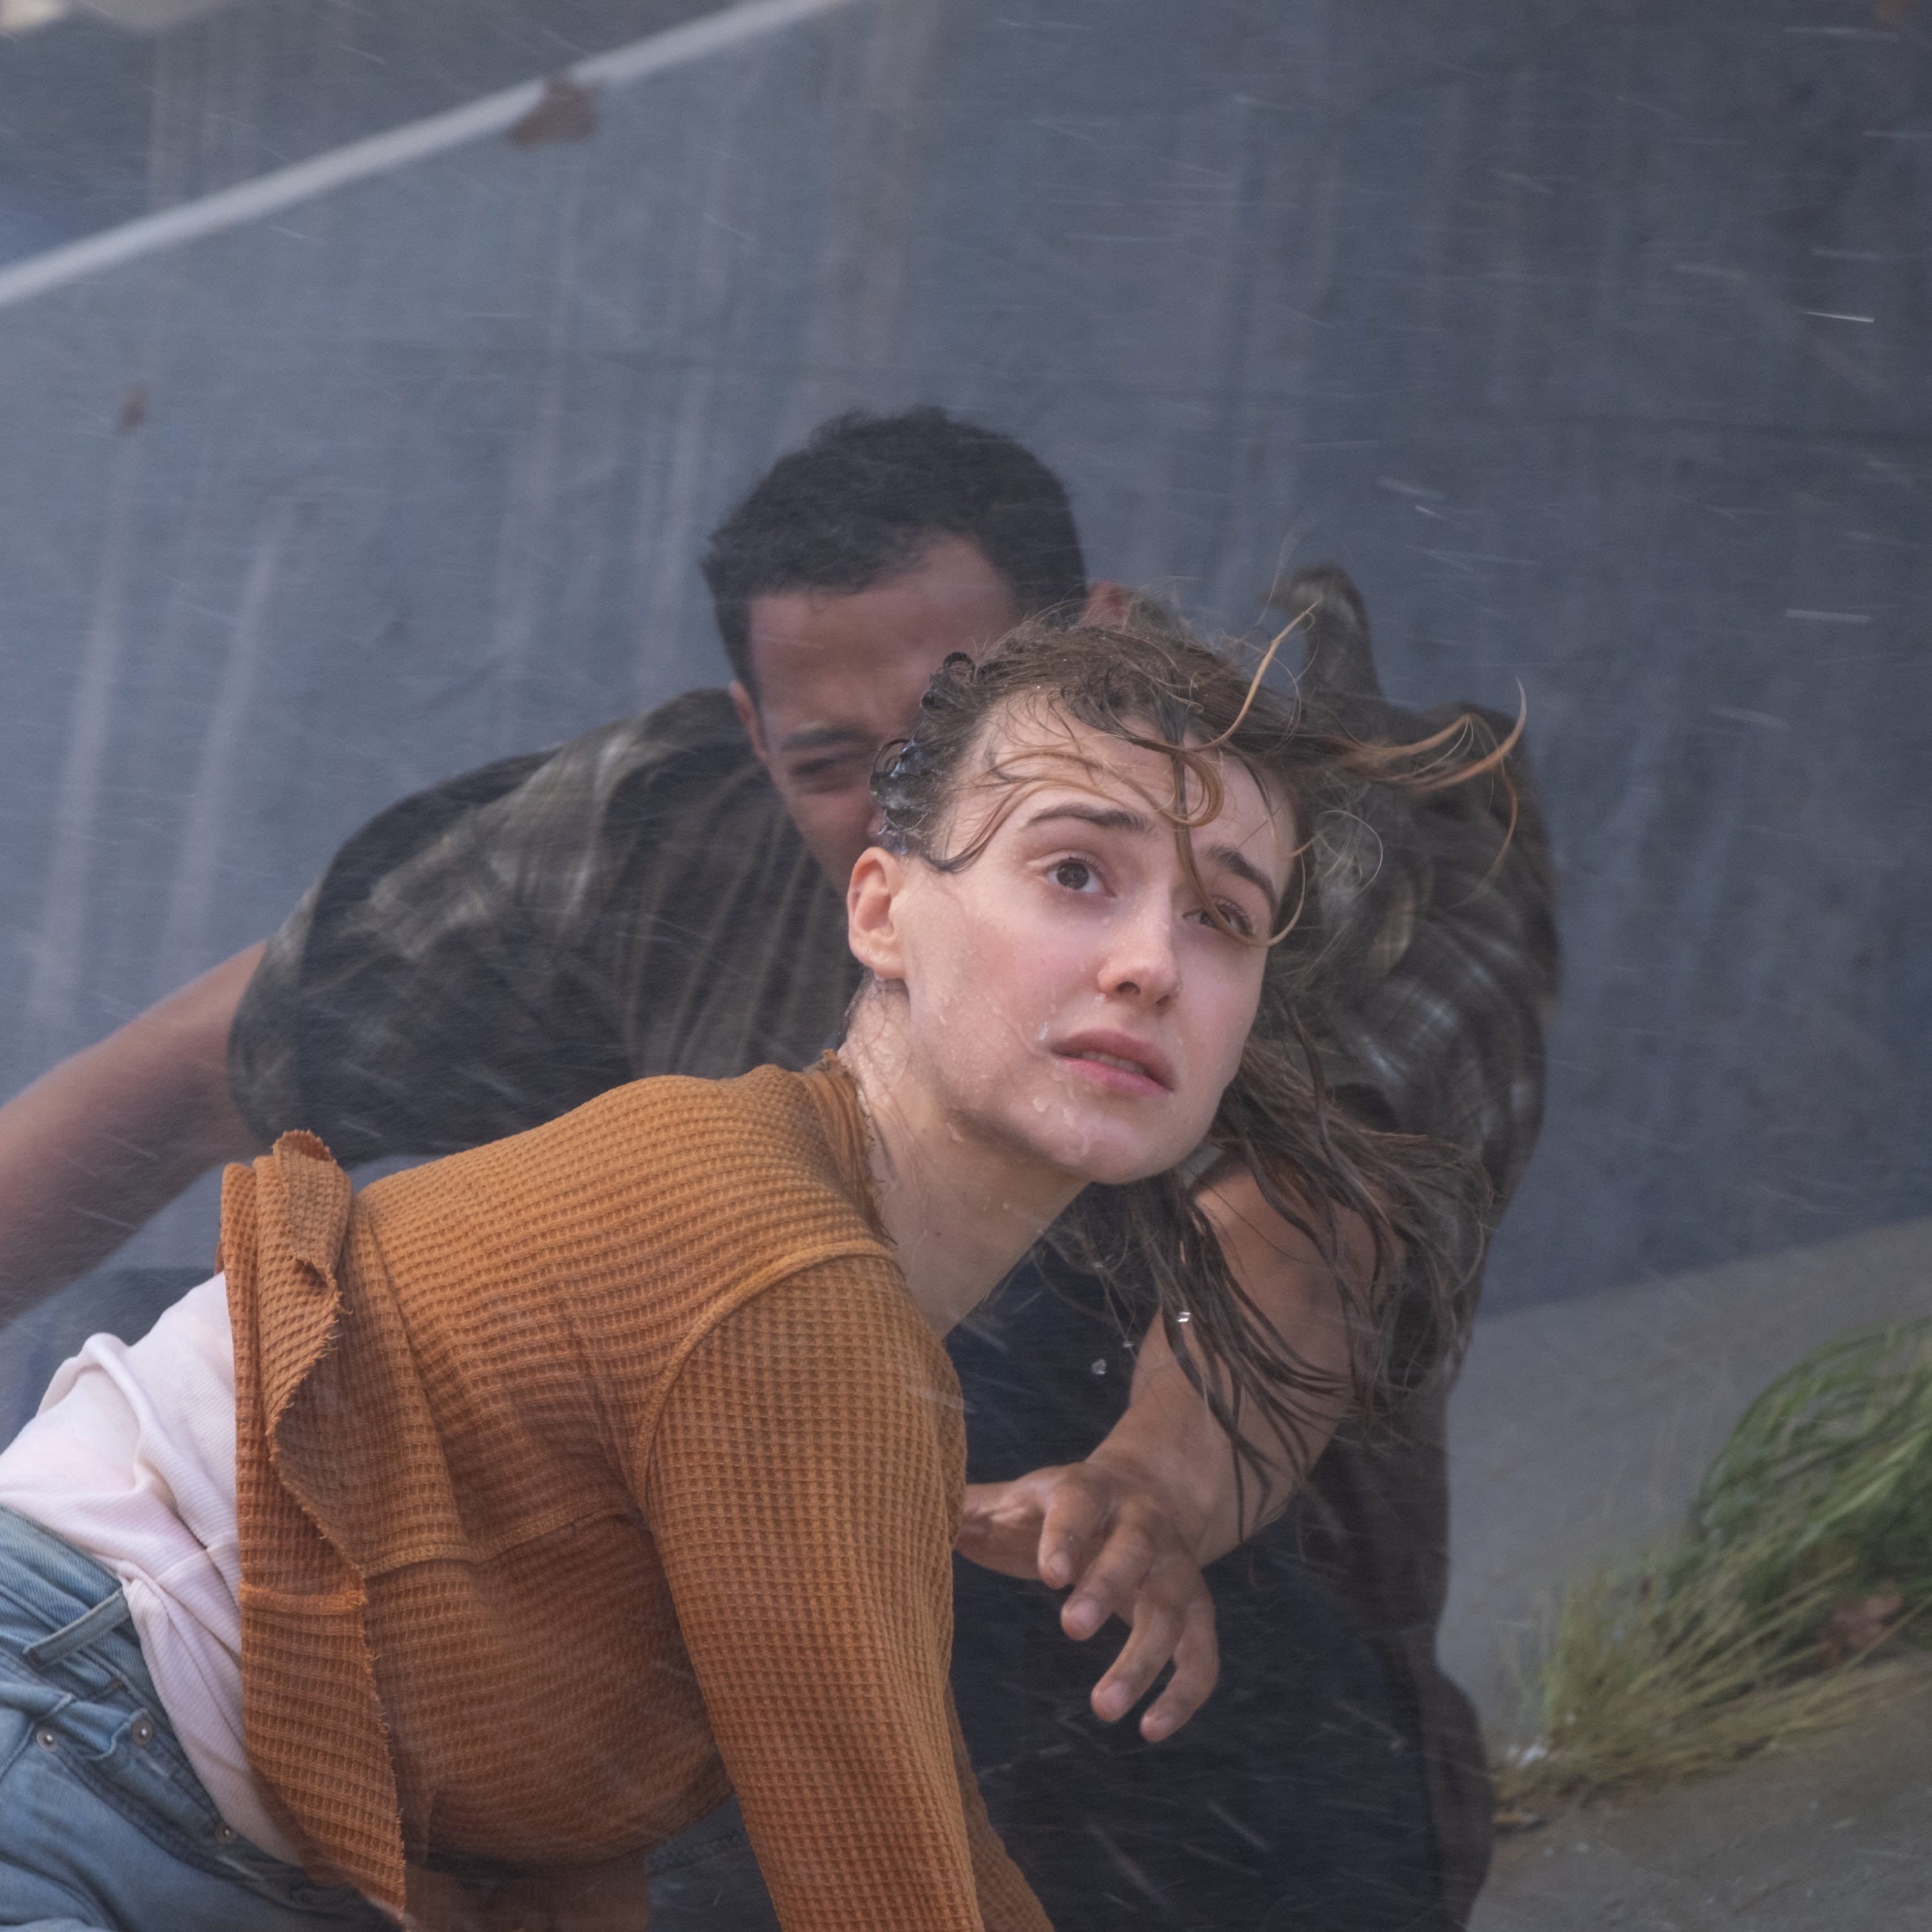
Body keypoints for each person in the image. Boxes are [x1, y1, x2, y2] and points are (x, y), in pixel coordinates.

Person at [0, 409, 1557, 1927]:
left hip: (1194, 1710)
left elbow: (1304, 1228)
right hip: (94, 1724)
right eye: (1068, 872)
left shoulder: (1335, 858)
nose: (1150, 959)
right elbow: (883, 1872)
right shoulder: (777, 1245)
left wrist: (1147, 1486)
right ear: (887, 900)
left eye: (1218, 915)